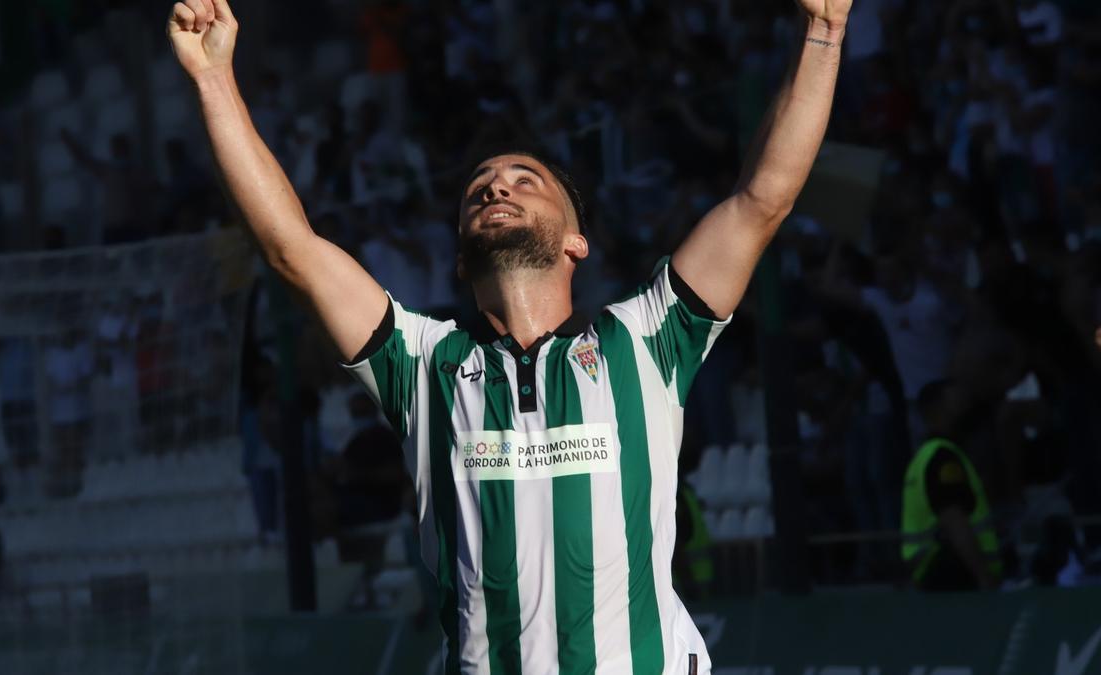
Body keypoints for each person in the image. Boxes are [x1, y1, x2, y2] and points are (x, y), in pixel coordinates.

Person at [167, 0, 849, 671]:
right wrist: (214, 78)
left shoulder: (646, 337)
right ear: (461, 256)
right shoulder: (422, 363)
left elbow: (763, 199)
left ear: (576, 241)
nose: (497, 189)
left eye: (526, 181)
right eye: (479, 191)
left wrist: (824, 27)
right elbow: (292, 248)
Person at [901, 380, 1002, 592]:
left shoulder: (924, 456)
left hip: (935, 572)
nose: (966, 406)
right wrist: (984, 577)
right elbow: (955, 521)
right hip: (954, 573)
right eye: (957, 401)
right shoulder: (943, 458)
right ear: (937, 410)